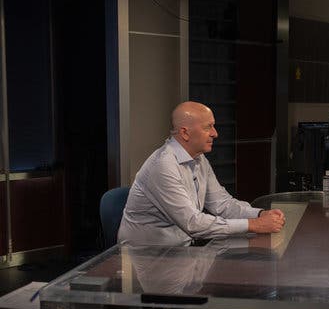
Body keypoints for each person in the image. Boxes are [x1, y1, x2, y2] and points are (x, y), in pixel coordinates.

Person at [117, 101, 285, 246]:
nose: (215, 133)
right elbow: (193, 223)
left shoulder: (199, 158)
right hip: (145, 256)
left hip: (181, 250)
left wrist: (259, 214)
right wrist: (253, 225)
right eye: (208, 127)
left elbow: (222, 204)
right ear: (185, 133)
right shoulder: (162, 166)